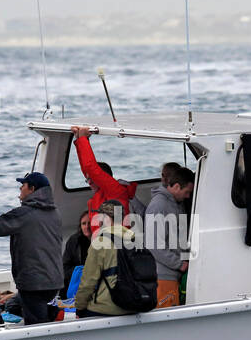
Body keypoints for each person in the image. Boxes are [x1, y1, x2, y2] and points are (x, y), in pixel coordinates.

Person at [0, 172, 64, 324]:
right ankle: (51, 317)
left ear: (32, 189)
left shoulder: (25, 214)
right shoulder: (55, 213)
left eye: (23, 185)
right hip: (53, 281)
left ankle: (41, 338)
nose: (20, 188)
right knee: (19, 306)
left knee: (36, 324)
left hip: (34, 283)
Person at [144, 166, 194, 308]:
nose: (188, 196)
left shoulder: (175, 204)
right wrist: (180, 264)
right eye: (187, 192)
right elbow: (154, 245)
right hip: (164, 277)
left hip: (172, 275)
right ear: (177, 186)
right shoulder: (160, 205)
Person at [74, 200, 133, 318]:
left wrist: (79, 307)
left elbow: (87, 282)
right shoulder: (135, 239)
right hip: (134, 304)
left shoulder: (100, 243)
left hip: (109, 307)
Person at [69, 125, 138, 215]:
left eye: (92, 179)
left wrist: (83, 139)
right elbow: (87, 170)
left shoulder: (116, 191)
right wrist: (79, 139)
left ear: (104, 177)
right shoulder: (102, 193)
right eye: (88, 180)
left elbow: (90, 168)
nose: (89, 182)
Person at [62, 209, 93, 293]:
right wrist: (80, 272)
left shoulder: (102, 241)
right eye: (84, 223)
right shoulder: (74, 241)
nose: (87, 227)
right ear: (80, 226)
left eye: (89, 223)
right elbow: (65, 267)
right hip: (77, 286)